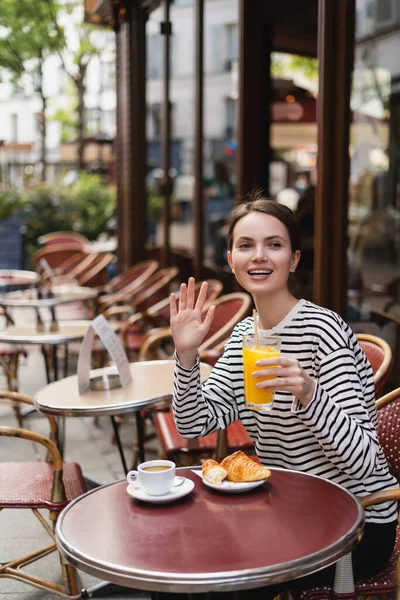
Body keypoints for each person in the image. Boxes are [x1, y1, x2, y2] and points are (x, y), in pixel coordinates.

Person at [168, 191, 398, 600]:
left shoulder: (323, 333)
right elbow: (192, 425)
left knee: (214, 586)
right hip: (289, 510)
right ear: (231, 261)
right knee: (181, 564)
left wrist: (309, 392)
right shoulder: (244, 338)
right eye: (245, 246)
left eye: (274, 245)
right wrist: (186, 357)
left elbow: (364, 460)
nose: (259, 256)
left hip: (355, 523)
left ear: (293, 260)